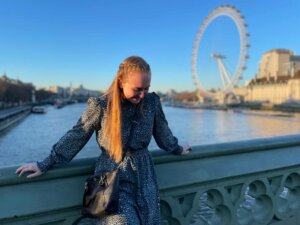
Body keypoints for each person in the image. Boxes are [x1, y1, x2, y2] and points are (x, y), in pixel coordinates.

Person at [16, 56, 191, 225]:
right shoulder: (101, 105)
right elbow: (77, 135)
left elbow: (163, 133)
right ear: (121, 82)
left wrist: (177, 148)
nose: (143, 94)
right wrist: (44, 164)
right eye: (137, 89)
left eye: (146, 88)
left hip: (144, 175)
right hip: (111, 177)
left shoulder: (152, 102)